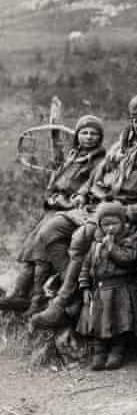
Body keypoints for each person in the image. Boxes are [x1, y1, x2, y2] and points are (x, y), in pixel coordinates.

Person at [30, 92, 137, 329]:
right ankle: (73, 290)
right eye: (136, 120)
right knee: (50, 231)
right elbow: (97, 177)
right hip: (99, 205)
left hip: (127, 213)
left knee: (82, 237)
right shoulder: (120, 148)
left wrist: (128, 212)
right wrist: (85, 194)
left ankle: (61, 302)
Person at [0, 114, 106, 314]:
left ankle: (35, 299)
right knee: (33, 249)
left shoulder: (99, 162)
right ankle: (20, 292)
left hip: (74, 210)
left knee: (41, 248)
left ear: (100, 137)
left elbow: (87, 189)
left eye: (94, 133)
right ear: (78, 135)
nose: (89, 137)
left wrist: (68, 201)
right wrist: (51, 198)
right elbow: (56, 181)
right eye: (84, 132)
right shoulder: (73, 156)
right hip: (55, 207)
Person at [76, 201, 137, 371]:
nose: (110, 228)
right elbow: (86, 266)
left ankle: (116, 352)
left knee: (119, 323)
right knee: (98, 323)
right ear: (99, 225)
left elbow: (129, 260)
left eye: (114, 223)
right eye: (105, 224)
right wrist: (85, 287)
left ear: (123, 224)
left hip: (120, 289)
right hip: (100, 289)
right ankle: (99, 353)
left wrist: (112, 247)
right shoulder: (95, 244)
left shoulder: (128, 241)